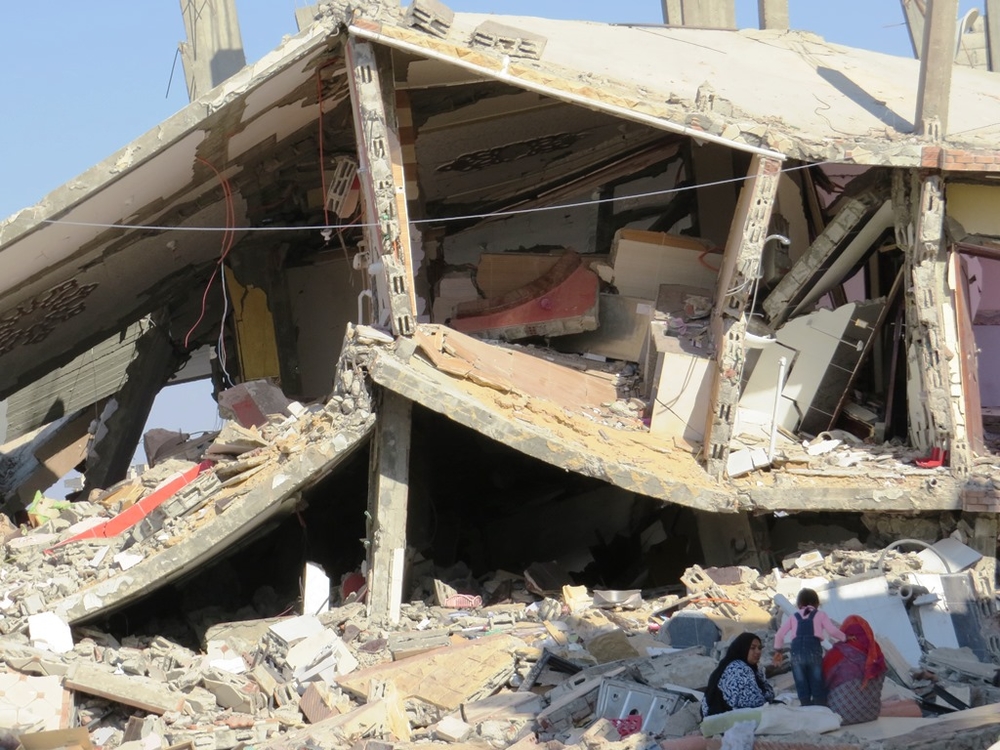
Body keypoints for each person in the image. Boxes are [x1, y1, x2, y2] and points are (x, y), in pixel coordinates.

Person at [773, 588, 845, 706]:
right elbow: (832, 631)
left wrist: (778, 651)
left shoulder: (794, 616)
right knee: (817, 681)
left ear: (799, 604)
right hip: (813, 652)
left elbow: (779, 634)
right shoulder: (821, 615)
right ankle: (820, 705)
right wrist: (845, 638)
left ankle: (806, 706)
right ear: (817, 604)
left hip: (796, 654)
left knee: (801, 682)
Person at [822, 615, 887, 725]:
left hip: (840, 715)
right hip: (871, 714)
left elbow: (822, 679)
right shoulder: (876, 652)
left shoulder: (838, 652)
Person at [701, 632, 776, 717]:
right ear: (743, 648)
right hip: (720, 718)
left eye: (759, 648)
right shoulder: (737, 669)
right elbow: (754, 701)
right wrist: (766, 696)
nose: (758, 652)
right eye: (752, 648)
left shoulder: (752, 669)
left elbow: (769, 694)